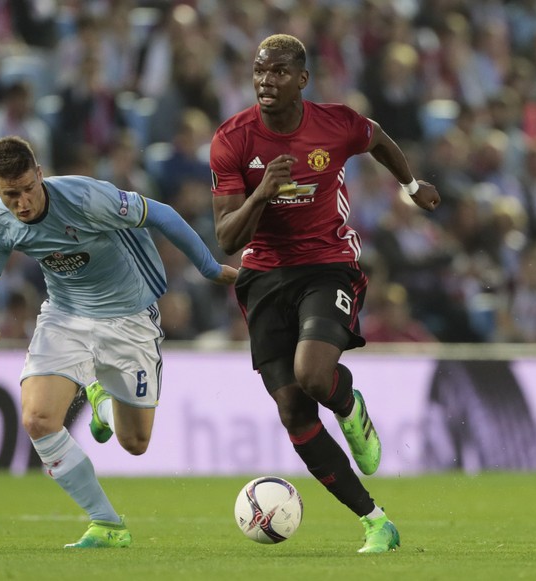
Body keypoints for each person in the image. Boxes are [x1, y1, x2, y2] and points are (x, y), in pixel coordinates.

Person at [210, 34, 440, 554]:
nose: (266, 82)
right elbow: (227, 237)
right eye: (259, 72)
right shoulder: (234, 139)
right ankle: (376, 521)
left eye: (278, 73)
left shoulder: (335, 123)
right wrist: (263, 194)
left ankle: (347, 401)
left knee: (313, 375)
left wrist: (410, 185)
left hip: (327, 265)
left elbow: (377, 138)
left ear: (302, 80)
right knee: (293, 411)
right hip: (263, 276)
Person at [0, 135, 237, 548]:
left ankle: (100, 401)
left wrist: (208, 266)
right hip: (65, 316)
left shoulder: (86, 198)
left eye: (27, 190)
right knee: (38, 419)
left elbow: (160, 214)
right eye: (9, 195)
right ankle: (107, 523)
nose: (21, 203)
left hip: (130, 318)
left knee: (135, 443)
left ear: (40, 175)